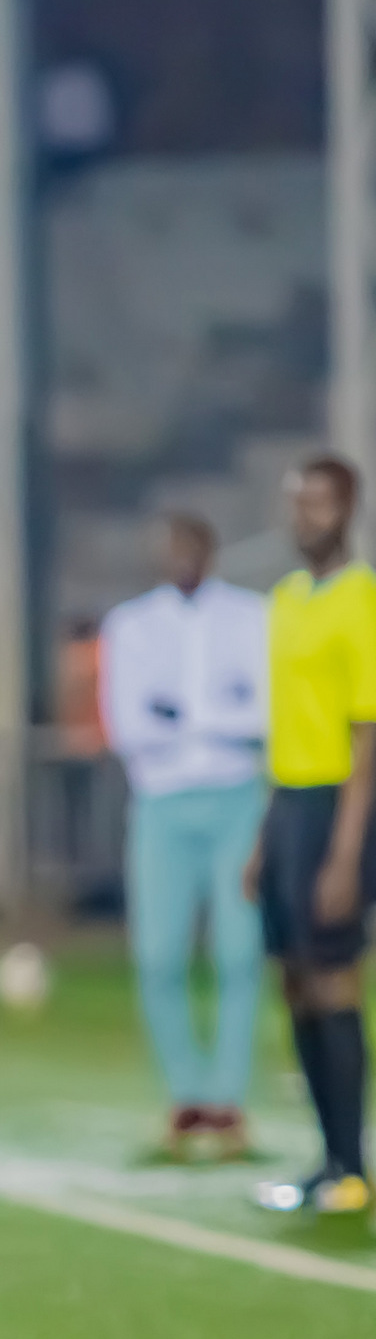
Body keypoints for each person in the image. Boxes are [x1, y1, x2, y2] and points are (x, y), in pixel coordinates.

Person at [98, 513, 268, 1160]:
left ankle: (227, 1101)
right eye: (171, 548)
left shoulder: (251, 618)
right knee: (159, 955)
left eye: (193, 546)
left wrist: (184, 715)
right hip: (162, 804)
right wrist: (221, 714)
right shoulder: (131, 625)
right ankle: (186, 1096)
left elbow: (265, 713)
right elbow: (127, 726)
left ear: (211, 550)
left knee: (239, 952)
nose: (182, 558)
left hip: (237, 799)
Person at [251, 456, 376, 1215]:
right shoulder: (287, 598)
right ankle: (327, 1158)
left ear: (348, 508)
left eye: (319, 503)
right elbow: (284, 726)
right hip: (289, 804)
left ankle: (353, 1166)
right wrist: (264, 839)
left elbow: (367, 737)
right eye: (297, 503)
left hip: (337, 805)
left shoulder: (361, 599)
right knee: (296, 979)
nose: (305, 517)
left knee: (334, 980)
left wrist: (345, 856)